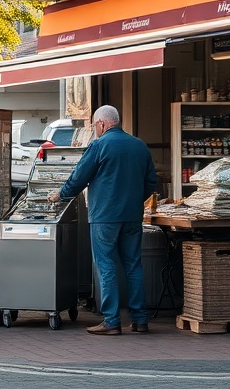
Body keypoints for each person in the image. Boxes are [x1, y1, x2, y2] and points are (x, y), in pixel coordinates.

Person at [47, 105, 157, 335]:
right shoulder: (139, 145)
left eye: (94, 126)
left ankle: (111, 320)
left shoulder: (99, 145)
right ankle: (139, 319)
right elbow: (151, 182)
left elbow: (80, 176)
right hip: (132, 216)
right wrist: (135, 200)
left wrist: (62, 193)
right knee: (133, 265)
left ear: (102, 124)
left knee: (106, 265)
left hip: (105, 216)